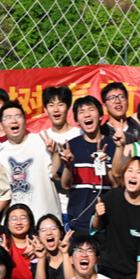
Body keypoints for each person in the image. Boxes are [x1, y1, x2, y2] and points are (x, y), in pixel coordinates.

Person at [0, 100, 62, 222]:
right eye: (8, 117)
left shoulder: (43, 142)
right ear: (1, 125)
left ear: (25, 121)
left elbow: (57, 175)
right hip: (15, 223)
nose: (14, 120)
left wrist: (55, 153)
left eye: (18, 116)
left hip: (45, 220)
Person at [60, 96, 119, 232]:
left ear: (100, 116)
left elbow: (117, 184)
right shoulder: (71, 147)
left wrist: (105, 166)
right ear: (77, 120)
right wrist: (68, 166)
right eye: (81, 111)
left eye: (91, 109)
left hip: (109, 224)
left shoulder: (114, 146)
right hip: (79, 223)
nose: (87, 114)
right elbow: (65, 185)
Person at [41, 85, 82, 221]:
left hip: (76, 206)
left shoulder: (80, 134)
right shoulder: (41, 137)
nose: (56, 109)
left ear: (69, 107)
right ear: (45, 110)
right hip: (49, 209)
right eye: (51, 105)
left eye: (60, 104)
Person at [100, 81, 140, 145]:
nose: (118, 101)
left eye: (121, 96)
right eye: (112, 98)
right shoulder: (101, 132)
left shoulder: (137, 121)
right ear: (105, 106)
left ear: (127, 101)